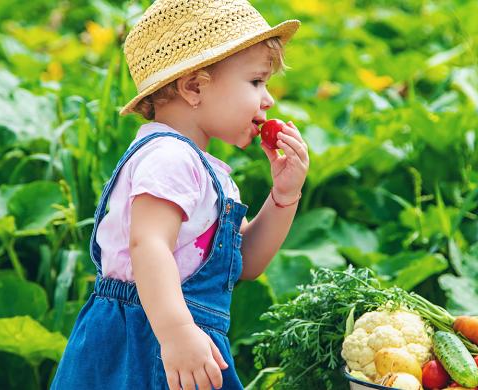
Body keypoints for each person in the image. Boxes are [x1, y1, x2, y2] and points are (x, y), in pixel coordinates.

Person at [50, 1, 309, 389]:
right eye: (256, 82)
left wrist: (284, 197)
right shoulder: (169, 157)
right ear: (193, 87)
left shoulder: (202, 169)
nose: (268, 99)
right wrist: (176, 333)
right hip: (144, 343)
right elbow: (148, 245)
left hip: (185, 345)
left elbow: (247, 264)